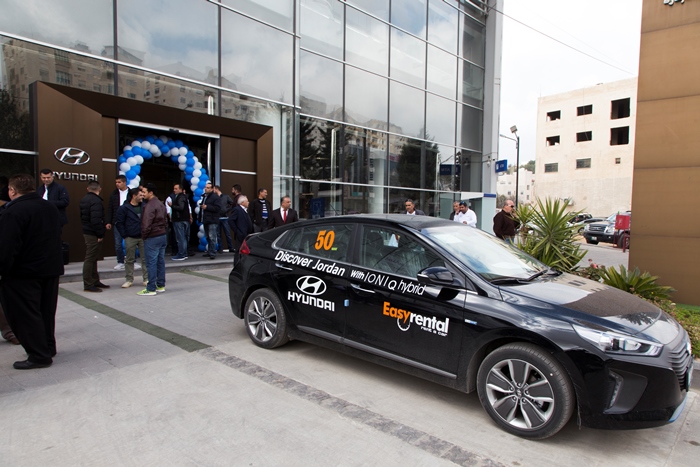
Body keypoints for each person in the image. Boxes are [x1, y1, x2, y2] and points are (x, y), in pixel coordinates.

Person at [0, 174, 64, 369]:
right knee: (46, 311)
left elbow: (7, 246)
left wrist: (3, 269)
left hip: (24, 273)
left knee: (26, 315)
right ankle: (47, 347)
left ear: (12, 190)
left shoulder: (13, 211)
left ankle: (38, 355)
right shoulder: (50, 207)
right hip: (50, 269)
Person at [115, 187, 149, 288]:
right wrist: (125, 235)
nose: (142, 196)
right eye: (140, 195)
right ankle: (129, 279)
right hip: (130, 237)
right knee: (129, 259)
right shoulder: (124, 208)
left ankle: (146, 279)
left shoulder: (145, 206)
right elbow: (119, 223)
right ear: (134, 196)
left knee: (145, 259)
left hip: (143, 236)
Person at [80, 180, 109, 292]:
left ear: (88, 189)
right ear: (99, 189)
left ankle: (94, 280)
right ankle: (88, 283)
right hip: (93, 233)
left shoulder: (84, 199)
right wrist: (100, 234)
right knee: (90, 258)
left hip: (87, 231)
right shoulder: (96, 201)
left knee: (93, 258)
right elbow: (96, 220)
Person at [139, 183, 167, 296]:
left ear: (151, 193)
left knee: (151, 263)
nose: (142, 194)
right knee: (160, 262)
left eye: (144, 192)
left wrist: (144, 236)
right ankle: (160, 285)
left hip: (153, 236)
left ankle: (151, 288)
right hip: (162, 235)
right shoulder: (160, 204)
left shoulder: (150, 205)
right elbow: (165, 220)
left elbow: (146, 223)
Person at [105, 175, 130, 271]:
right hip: (117, 221)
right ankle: (120, 262)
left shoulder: (131, 193)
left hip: (129, 221)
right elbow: (110, 208)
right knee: (118, 243)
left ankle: (132, 261)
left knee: (130, 242)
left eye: (119, 182)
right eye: (116, 182)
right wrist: (108, 221)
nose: (117, 184)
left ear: (124, 182)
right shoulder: (114, 194)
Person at [228, 195, 253, 264]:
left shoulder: (245, 210)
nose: (248, 202)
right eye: (247, 201)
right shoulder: (237, 209)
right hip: (240, 234)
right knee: (238, 251)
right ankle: (236, 265)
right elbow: (231, 220)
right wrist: (237, 231)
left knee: (244, 251)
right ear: (242, 203)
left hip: (247, 234)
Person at [199, 182, 221, 260]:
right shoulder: (205, 197)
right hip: (206, 219)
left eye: (208, 188)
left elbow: (218, 208)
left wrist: (207, 207)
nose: (206, 189)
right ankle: (209, 251)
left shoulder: (215, 197)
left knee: (212, 237)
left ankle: (212, 253)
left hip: (212, 220)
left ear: (212, 189)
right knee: (208, 237)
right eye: (205, 187)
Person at [169, 183, 190, 260]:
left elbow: (181, 207)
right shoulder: (183, 197)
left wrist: (172, 206)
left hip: (179, 220)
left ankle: (181, 254)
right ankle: (184, 253)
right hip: (183, 219)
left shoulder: (180, 197)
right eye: (174, 188)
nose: (174, 190)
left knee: (181, 238)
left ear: (180, 189)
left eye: (176, 189)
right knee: (184, 237)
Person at [214, 185, 234, 253]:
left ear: (216, 189)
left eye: (214, 189)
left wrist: (226, 210)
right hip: (217, 217)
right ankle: (220, 248)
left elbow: (232, 204)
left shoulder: (226, 196)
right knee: (218, 234)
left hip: (225, 217)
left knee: (227, 233)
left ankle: (230, 247)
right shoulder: (215, 197)